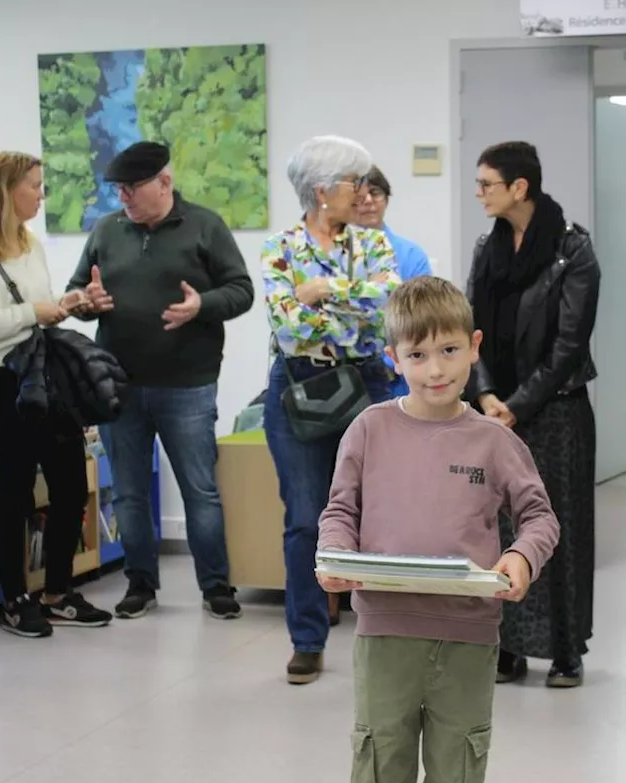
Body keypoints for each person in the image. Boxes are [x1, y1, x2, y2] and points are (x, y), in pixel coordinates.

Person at [317, 276, 560, 783]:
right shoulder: (368, 430)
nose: (434, 369)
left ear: (474, 346)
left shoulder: (494, 441)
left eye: (449, 350)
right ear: (392, 358)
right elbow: (340, 510)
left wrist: (521, 559)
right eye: (417, 355)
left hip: (468, 640)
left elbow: (539, 517)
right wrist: (335, 556)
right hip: (385, 637)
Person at [63, 142, 254, 620]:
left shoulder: (205, 226)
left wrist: (201, 306)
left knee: (199, 490)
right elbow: (74, 289)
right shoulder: (107, 231)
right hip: (118, 386)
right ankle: (140, 583)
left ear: (164, 183)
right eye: (119, 190)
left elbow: (242, 290)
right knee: (128, 492)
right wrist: (86, 300)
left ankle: (215, 585)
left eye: (132, 188)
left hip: (187, 385)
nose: (123, 198)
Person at [0, 151, 111, 638]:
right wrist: (35, 314)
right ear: (6, 190)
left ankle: (57, 591)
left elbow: (39, 310)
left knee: (68, 485)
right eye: (34, 186)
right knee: (15, 491)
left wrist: (69, 305)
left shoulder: (32, 243)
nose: (42, 194)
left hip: (44, 376)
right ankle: (16, 600)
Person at [261, 135, 400, 685]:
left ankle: (386, 630)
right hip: (298, 389)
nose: (362, 194)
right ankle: (308, 639)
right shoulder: (279, 247)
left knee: (381, 515)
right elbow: (289, 326)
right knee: (303, 518)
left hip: (366, 386)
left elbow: (386, 304)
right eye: (352, 184)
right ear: (323, 192)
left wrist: (322, 290)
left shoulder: (373, 243)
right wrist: (348, 306)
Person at [465, 141, 599, 689]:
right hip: (497, 411)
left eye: (486, 184)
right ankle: (510, 646)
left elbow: (568, 345)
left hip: (556, 411)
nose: (479, 194)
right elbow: (469, 324)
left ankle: (566, 651)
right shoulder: (487, 247)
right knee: (501, 531)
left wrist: (517, 407)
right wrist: (487, 394)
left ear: (520, 187)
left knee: (557, 529)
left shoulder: (573, 250)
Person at [354, 165, 433, 399]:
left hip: (396, 376)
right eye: (360, 197)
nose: (368, 201)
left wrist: (390, 364)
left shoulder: (410, 254)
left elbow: (421, 317)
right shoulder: (334, 256)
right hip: (343, 377)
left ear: (386, 199)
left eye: (376, 193)